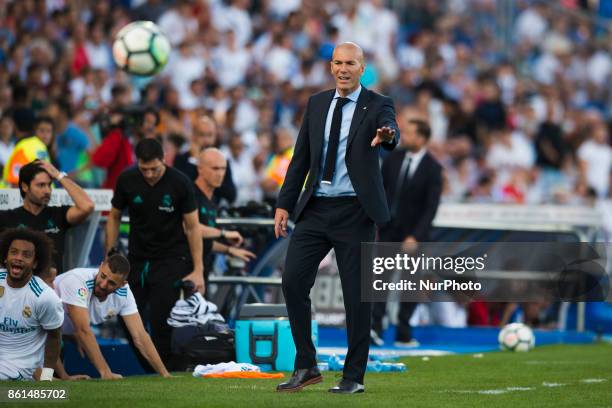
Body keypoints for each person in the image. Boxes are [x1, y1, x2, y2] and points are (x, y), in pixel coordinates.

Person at [274, 42, 399, 394]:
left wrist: (387, 136)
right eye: (338, 63)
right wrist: (284, 203)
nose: (344, 69)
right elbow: (300, 158)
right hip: (314, 208)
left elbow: (390, 130)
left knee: (356, 297)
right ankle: (306, 365)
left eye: (351, 63)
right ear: (331, 66)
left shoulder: (378, 104)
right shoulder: (316, 104)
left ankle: (353, 376)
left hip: (355, 212)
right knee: (293, 282)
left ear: (363, 68)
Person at [105, 138, 203, 369]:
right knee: (126, 316)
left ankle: (165, 369)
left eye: (154, 169)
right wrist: (110, 253)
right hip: (137, 259)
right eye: (144, 169)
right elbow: (114, 216)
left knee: (161, 320)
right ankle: (152, 369)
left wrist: (198, 268)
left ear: (164, 160)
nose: (149, 174)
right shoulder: (127, 179)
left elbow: (193, 226)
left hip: (171, 259)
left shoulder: (180, 182)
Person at [371, 118, 442, 347]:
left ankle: (403, 332)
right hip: (389, 230)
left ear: (422, 138)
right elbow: (381, 190)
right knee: (381, 281)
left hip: (414, 235)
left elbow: (430, 208)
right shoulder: (393, 158)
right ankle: (375, 329)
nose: (405, 137)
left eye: (410, 133)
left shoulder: (433, 168)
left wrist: (415, 236)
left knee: (410, 284)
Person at [53, 251, 171, 379]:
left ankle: (58, 377)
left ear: (122, 284)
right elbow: (83, 330)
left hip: (53, 334)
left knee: (51, 378)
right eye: (103, 276)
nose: (103, 285)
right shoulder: (76, 281)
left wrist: (164, 374)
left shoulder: (124, 294)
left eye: (112, 283)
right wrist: (105, 372)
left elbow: (140, 336)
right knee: (42, 381)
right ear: (101, 266)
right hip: (34, 330)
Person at [0, 160, 95, 274]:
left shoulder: (59, 214)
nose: (47, 191)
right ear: (25, 187)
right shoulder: (6, 217)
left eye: (49, 185)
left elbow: (87, 206)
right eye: (41, 185)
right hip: (18, 288)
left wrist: (59, 176)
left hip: (52, 288)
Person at [0, 228, 64, 381]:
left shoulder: (44, 297)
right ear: (5, 258)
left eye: (26, 255)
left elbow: (54, 337)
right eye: (13, 252)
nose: (18, 258)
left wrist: (47, 377)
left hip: (20, 369)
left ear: (35, 263)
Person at [194, 148, 256, 285]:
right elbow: (191, 229)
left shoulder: (212, 200)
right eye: (215, 169)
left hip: (204, 273)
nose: (220, 174)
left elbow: (204, 242)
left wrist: (229, 250)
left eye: (223, 169)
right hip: (186, 272)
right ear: (200, 169)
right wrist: (224, 233)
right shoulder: (190, 195)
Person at [174, 115, 237, 204]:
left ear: (215, 136)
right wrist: (195, 161)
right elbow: (181, 190)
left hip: (214, 211)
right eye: (202, 135)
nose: (206, 140)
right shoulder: (181, 159)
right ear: (193, 136)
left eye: (210, 135)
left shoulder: (222, 161)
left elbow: (231, 195)